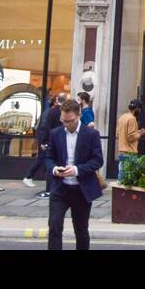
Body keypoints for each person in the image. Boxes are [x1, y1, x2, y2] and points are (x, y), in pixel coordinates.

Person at [45, 98, 104, 251]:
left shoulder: (91, 134)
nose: (66, 124)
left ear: (78, 116)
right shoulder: (55, 133)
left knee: (81, 229)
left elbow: (98, 161)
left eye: (69, 121)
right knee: (54, 225)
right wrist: (54, 169)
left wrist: (77, 170)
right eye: (63, 120)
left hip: (81, 190)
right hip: (60, 188)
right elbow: (48, 157)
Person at [23, 91, 62, 196]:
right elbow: (45, 127)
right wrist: (44, 141)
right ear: (55, 102)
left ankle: (30, 177)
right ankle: (29, 177)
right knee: (42, 159)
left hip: (45, 139)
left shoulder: (50, 111)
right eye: (59, 99)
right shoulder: (52, 112)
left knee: (44, 159)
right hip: (46, 140)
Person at [115, 99, 144, 175]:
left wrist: (137, 132)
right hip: (129, 151)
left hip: (121, 150)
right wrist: (141, 134)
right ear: (137, 109)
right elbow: (130, 137)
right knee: (128, 177)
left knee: (121, 173)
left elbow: (118, 134)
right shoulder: (132, 119)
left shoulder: (122, 117)